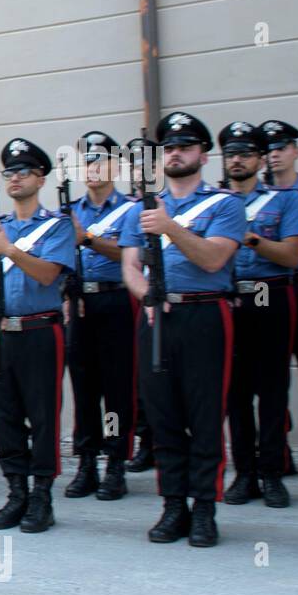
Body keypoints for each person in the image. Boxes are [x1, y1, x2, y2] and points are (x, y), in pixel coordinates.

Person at [119, 112, 245, 547]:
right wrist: (147, 297)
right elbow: (130, 267)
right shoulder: (142, 208)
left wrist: (170, 226)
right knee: (163, 413)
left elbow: (213, 260)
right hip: (156, 317)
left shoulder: (225, 204)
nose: (176, 152)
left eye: (186, 146)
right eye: (169, 147)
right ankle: (173, 504)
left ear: (202, 155)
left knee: (205, 413)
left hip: (205, 315)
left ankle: (205, 508)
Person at [0, 138, 74, 534]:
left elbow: (50, 274)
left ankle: (42, 494)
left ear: (40, 178)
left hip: (40, 330)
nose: (15, 178)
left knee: (43, 414)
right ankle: (16, 491)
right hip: (2, 331)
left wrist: (10, 250)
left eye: (23, 172)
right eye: (10, 173)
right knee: (4, 413)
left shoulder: (57, 225)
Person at [218, 121, 298, 508]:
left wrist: (247, 235)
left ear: (259, 159)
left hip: (270, 293)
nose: (237, 160)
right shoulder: (215, 202)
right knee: (234, 390)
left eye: (245, 153)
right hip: (229, 297)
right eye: (231, 153)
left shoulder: (284, 200)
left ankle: (271, 472)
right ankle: (245, 473)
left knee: (271, 387)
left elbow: (289, 255)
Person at [62, 131, 139, 502]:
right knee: (84, 388)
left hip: (116, 303)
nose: (93, 169)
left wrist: (87, 239)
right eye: (88, 162)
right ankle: (87, 461)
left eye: (100, 162)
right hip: (80, 304)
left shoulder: (130, 210)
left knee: (117, 389)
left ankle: (116, 463)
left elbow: (129, 257)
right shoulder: (70, 210)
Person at [259, 120, 298, 479]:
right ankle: (276, 452)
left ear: (296, 152)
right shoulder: (254, 197)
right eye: (270, 150)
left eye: (282, 148)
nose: (275, 155)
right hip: (269, 290)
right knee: (269, 373)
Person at [123, 134, 159, 473]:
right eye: (135, 164)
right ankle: (144, 439)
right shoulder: (129, 210)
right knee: (138, 374)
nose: (139, 171)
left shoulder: (169, 205)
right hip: (135, 293)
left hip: (169, 297)